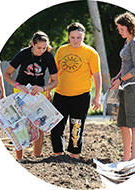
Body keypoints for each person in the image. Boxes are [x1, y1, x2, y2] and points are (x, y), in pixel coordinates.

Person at [50, 22, 102, 159]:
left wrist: (97, 97)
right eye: (72, 37)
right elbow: (55, 73)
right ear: (68, 37)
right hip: (61, 95)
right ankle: (58, 154)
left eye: (79, 37)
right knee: (56, 126)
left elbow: (97, 76)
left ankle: (74, 156)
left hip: (81, 96)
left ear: (83, 36)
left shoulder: (91, 53)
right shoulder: (61, 50)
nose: (75, 41)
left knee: (76, 127)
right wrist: (49, 90)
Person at [4, 31, 58, 160]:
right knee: (20, 125)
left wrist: (44, 88)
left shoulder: (48, 57)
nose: (41, 51)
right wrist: (18, 85)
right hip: (21, 92)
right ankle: (20, 158)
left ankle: (36, 157)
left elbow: (55, 81)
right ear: (33, 44)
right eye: (39, 47)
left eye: (44, 48)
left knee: (39, 125)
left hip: (39, 93)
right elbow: (7, 74)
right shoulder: (23, 54)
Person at [110, 12, 135, 161]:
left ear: (129, 27)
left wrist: (122, 79)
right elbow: (125, 65)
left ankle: (134, 159)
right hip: (125, 86)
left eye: (121, 28)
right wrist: (118, 77)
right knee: (123, 123)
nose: (119, 31)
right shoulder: (128, 42)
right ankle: (126, 158)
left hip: (134, 85)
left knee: (133, 122)